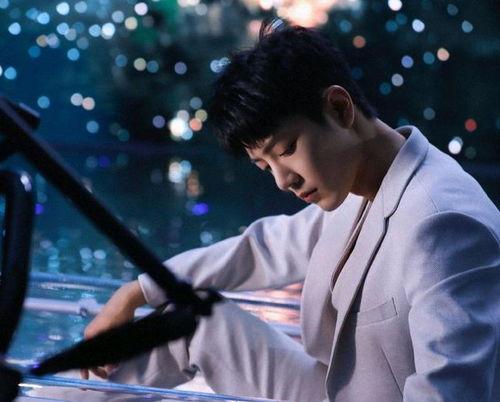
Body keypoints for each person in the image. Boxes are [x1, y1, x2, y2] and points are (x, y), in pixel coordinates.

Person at [81, 20, 500, 401]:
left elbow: (451, 394)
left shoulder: (441, 223)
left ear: (339, 108)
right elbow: (262, 248)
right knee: (188, 322)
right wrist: (135, 293)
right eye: (266, 166)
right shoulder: (357, 185)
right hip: (334, 392)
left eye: (286, 150)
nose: (283, 181)